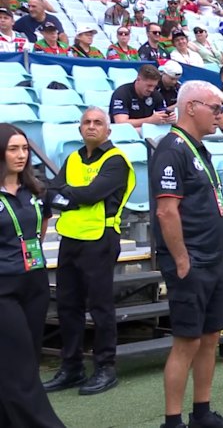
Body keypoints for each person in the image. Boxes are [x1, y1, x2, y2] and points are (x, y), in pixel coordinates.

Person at [150, 81, 223, 428]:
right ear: (191, 107)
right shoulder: (172, 149)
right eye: (214, 108)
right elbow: (166, 211)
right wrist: (182, 259)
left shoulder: (198, 149)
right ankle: (172, 421)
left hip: (212, 259)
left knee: (210, 337)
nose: (219, 115)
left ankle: (201, 413)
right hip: (192, 261)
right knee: (186, 341)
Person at [42, 107, 135, 396]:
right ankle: (72, 367)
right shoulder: (72, 158)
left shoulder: (116, 160)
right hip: (70, 239)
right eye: (87, 122)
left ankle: (105, 367)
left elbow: (92, 194)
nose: (91, 126)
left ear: (108, 129)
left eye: (97, 122)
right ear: (80, 128)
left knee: (100, 305)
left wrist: (68, 194)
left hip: (100, 239)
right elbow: (50, 193)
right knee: (67, 305)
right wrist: (74, 196)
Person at [0, 124, 66, 428]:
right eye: (13, 149)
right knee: (19, 363)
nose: (21, 155)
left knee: (26, 358)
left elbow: (40, 228)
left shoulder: (36, 189)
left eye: (25, 149)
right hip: (4, 288)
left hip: (35, 282)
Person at [110, 64, 174, 131]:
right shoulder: (122, 93)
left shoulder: (156, 94)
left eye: (154, 86)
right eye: (149, 85)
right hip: (123, 133)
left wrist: (169, 118)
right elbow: (121, 123)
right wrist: (150, 120)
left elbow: (163, 114)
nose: (151, 89)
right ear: (138, 79)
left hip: (147, 132)